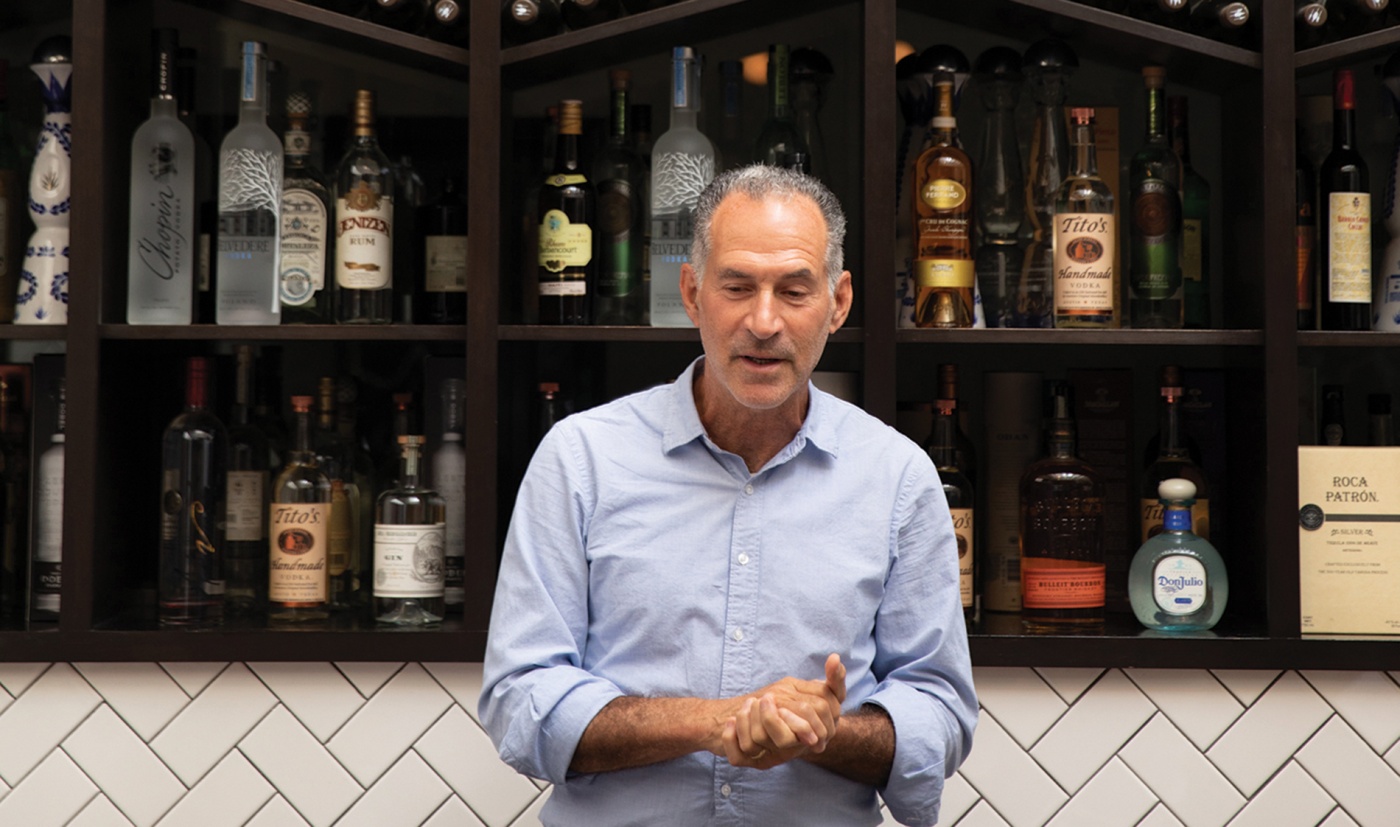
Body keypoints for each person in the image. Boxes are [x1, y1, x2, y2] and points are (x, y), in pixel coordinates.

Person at [480, 165, 977, 826]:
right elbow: (521, 699)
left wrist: (819, 732)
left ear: (839, 301)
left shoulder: (897, 477)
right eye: (737, 286)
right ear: (692, 292)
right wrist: (716, 723)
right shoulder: (581, 460)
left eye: (794, 290)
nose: (764, 321)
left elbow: (939, 710)